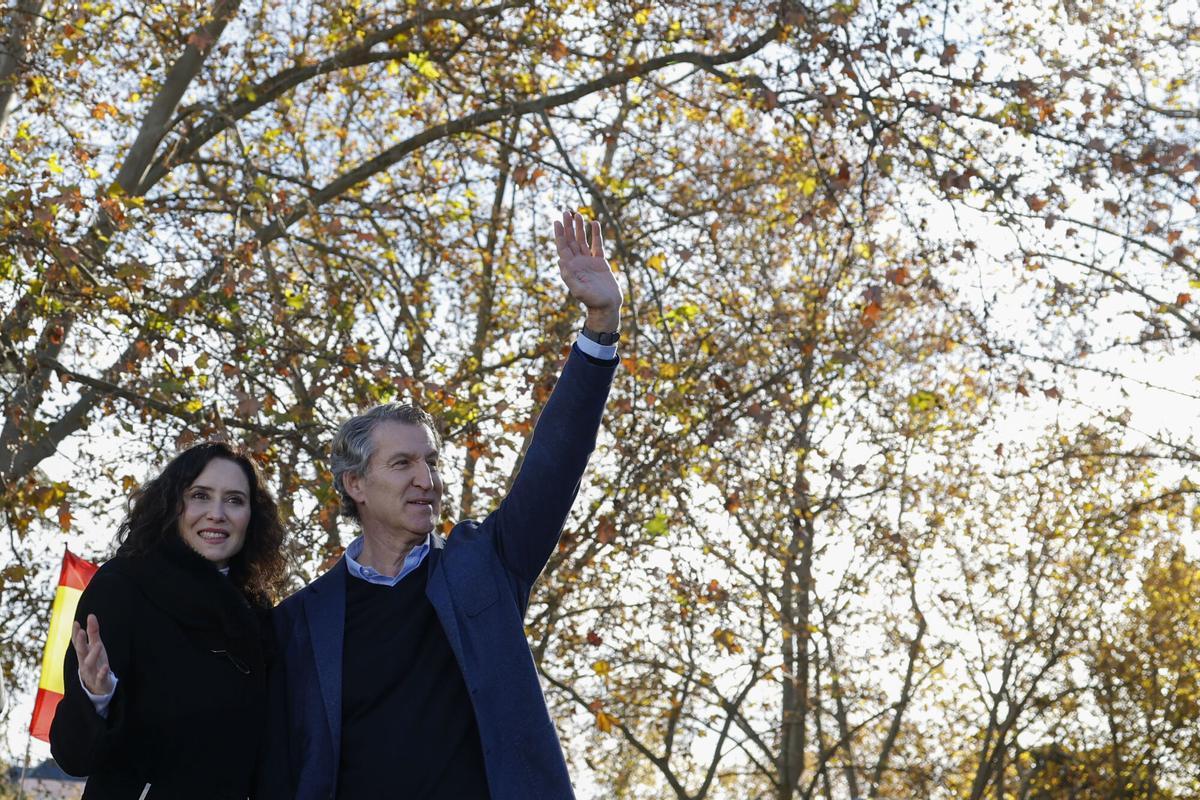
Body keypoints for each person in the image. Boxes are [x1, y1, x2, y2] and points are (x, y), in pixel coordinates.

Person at [260, 210, 622, 800]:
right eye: (402, 464)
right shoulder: (300, 622)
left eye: (430, 461)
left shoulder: (484, 569)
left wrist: (599, 325)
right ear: (355, 484)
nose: (425, 478)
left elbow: (555, 464)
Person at [50, 441, 286, 799]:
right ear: (173, 505)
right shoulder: (124, 586)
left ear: (252, 516)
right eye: (200, 495)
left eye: (235, 500)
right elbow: (74, 756)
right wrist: (96, 697)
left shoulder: (259, 612)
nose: (217, 513)